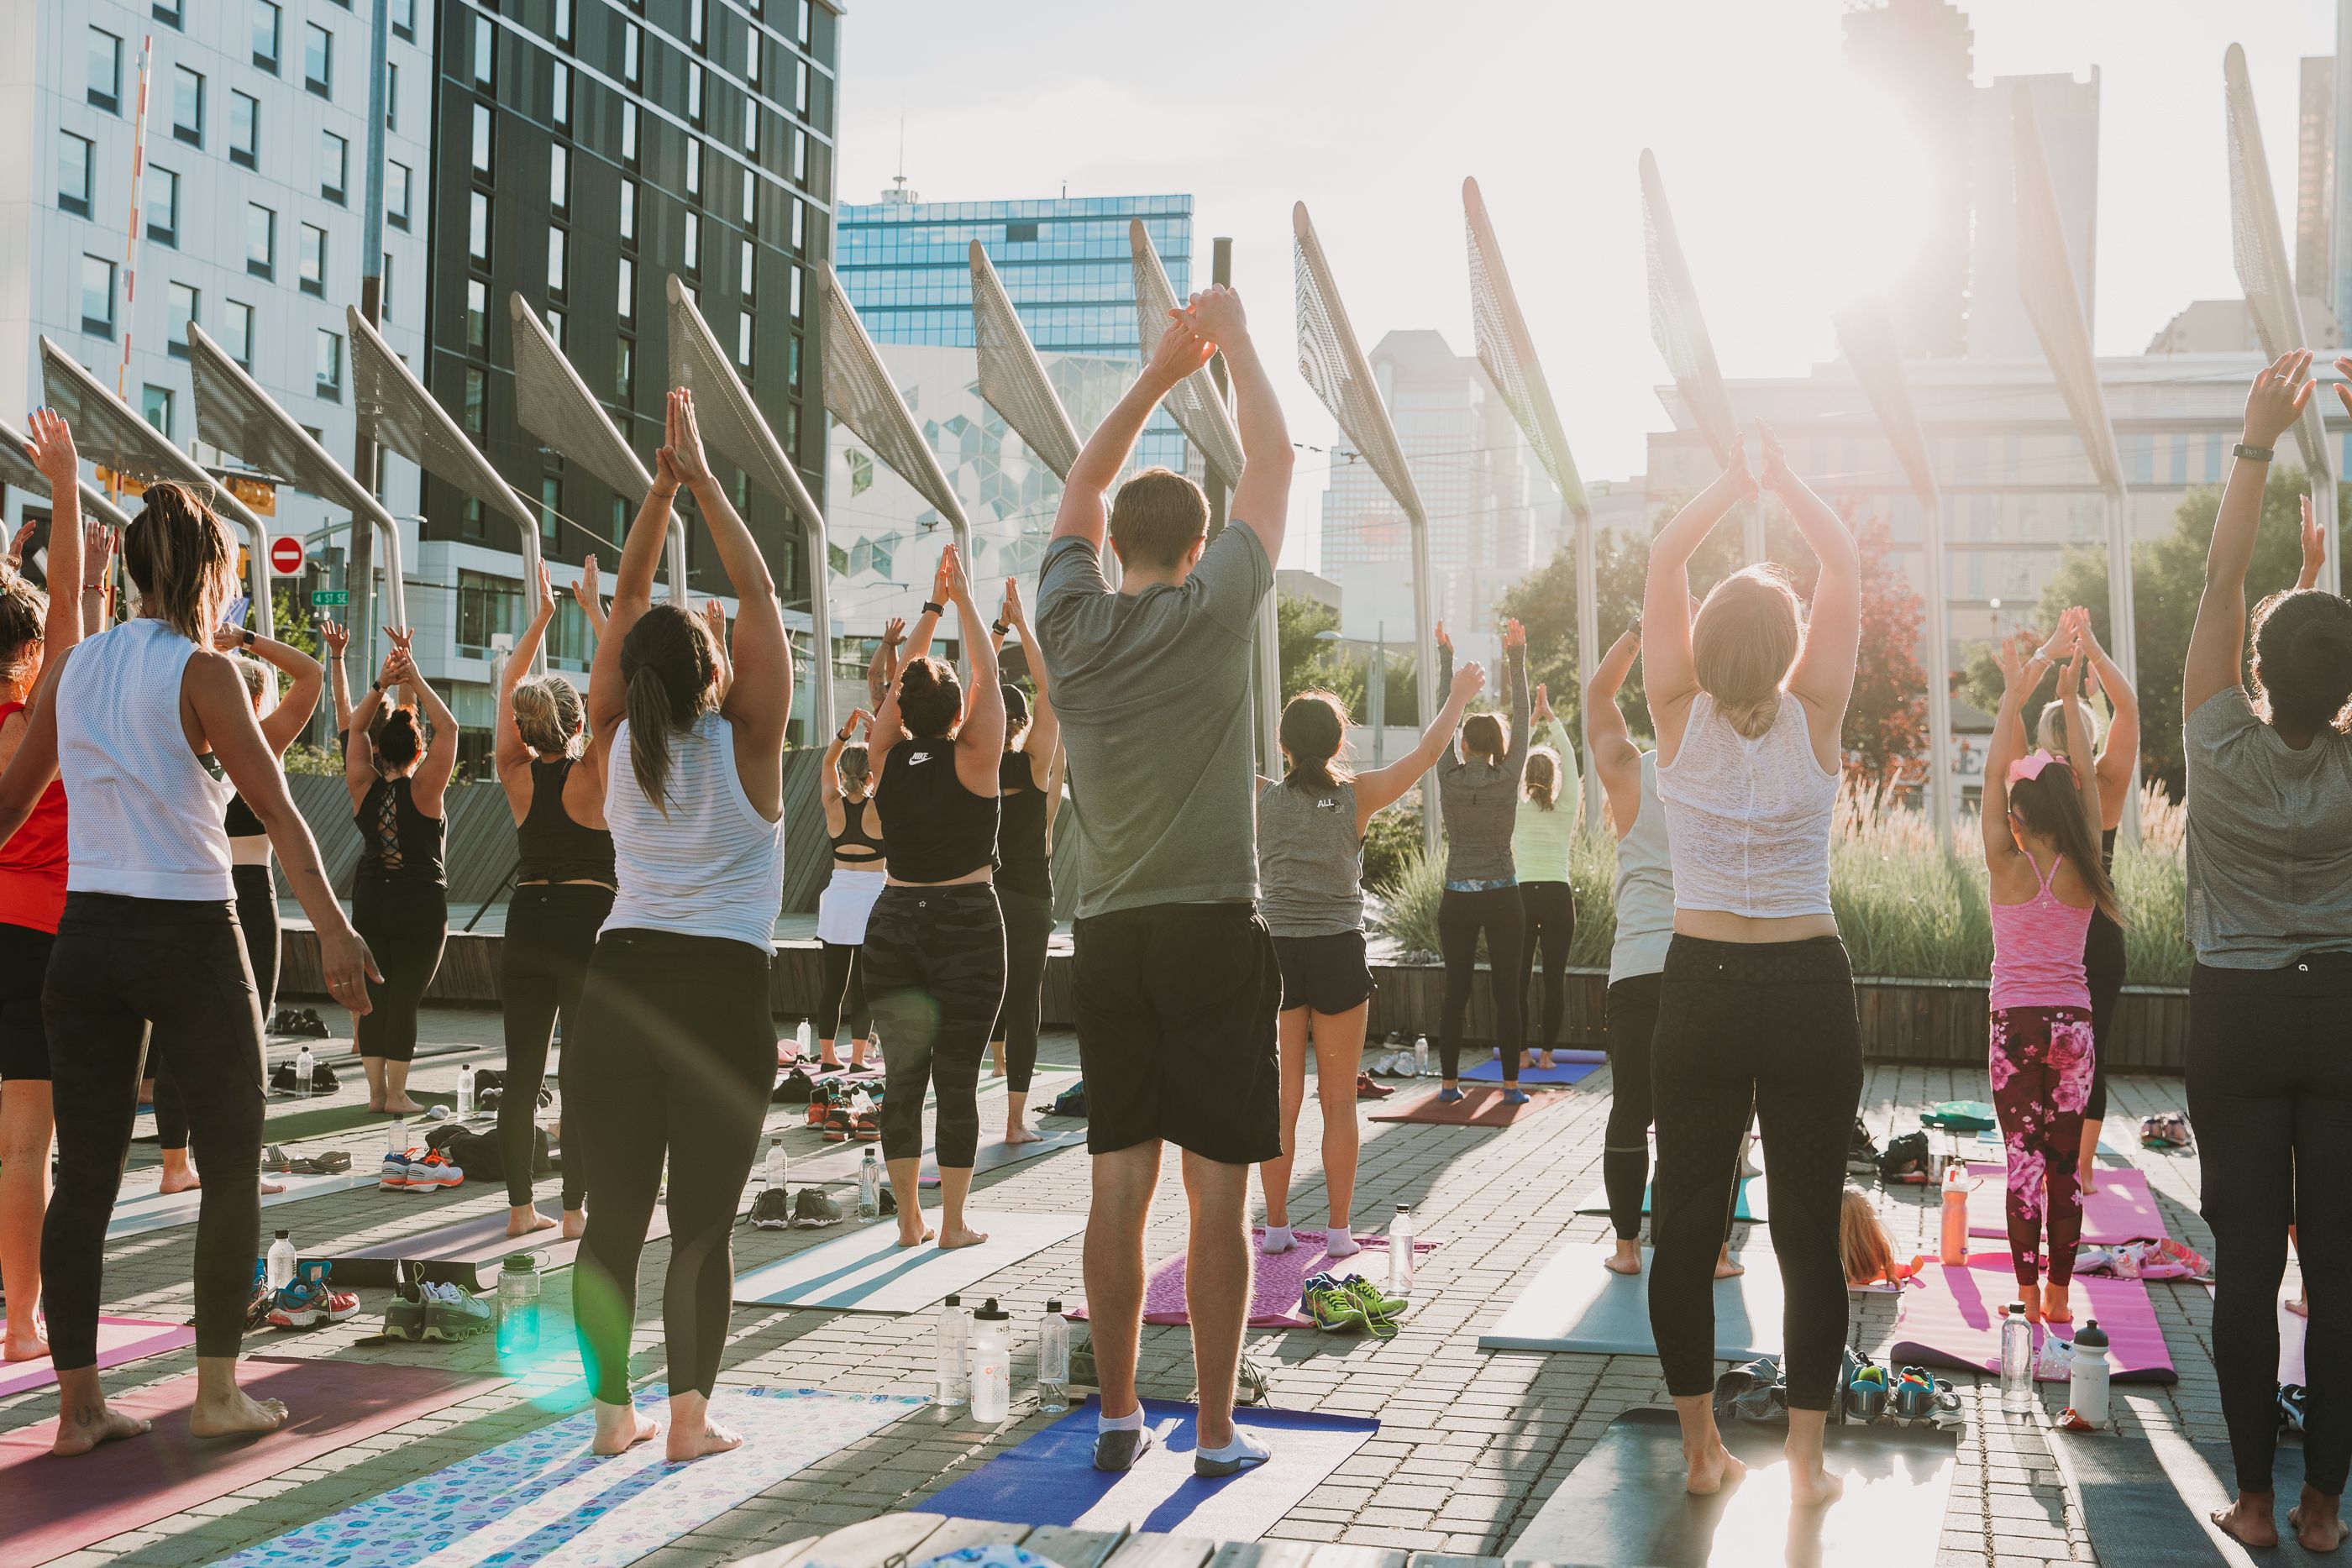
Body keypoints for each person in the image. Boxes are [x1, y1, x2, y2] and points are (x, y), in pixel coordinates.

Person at [0, 480, 374, 1456]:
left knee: (84, 1177)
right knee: (231, 1160)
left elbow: (6, 806)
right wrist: (333, 927)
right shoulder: (204, 673)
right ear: (211, 573)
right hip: (190, 932)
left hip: (83, 940)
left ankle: (77, 1410)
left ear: (127, 568)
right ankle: (216, 1391)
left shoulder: (73, 665)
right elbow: (281, 811)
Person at [1035, 286, 1291, 1478]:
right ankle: (1222, 1427)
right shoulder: (1217, 605)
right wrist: (1231, 344)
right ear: (1195, 549)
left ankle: (1121, 1414)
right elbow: (1276, 459)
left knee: (1118, 1186)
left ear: (1112, 550)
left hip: (1112, 936)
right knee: (1218, 1198)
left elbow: (1080, 490)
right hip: (1209, 929)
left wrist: (1155, 373)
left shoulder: (1068, 620)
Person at [1641, 425, 1861, 1506]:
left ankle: (1700, 1453)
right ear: (1783, 647)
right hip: (1809, 988)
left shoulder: (1673, 715)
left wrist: (1728, 487)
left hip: (1700, 987)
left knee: (1684, 1222)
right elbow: (1846, 568)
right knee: (1803, 1230)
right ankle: (1807, 1466)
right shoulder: (1814, 714)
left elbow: (1660, 565)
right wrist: (1785, 477)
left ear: (1703, 645)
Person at [570, 390, 790, 1463]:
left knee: (612, 1215)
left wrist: (656, 497)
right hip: (719, 997)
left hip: (617, 987)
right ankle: (689, 1422)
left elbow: (624, 606)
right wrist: (702, 481)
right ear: (717, 672)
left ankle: (614, 1417)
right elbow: (755, 589)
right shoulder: (750, 751)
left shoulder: (610, 747)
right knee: (701, 1221)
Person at [2183, 350, 2352, 1553]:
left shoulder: (2216, 745)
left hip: (2236, 1014)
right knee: (2339, 1273)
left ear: (2257, 669)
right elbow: (2306, 657)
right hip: (2341, 1008)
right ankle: (2324, 1504)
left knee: (2246, 1264)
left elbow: (2219, 577)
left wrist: (2258, 438)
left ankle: (2248, 1494)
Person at [1257, 661, 1482, 1259]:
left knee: (1281, 1100)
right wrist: (1458, 693)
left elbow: (1200, 750)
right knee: (1337, 1100)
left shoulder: (1259, 797)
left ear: (1283, 744)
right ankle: (1336, 1232)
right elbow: (1430, 752)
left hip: (1276, 954)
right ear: (1337, 742)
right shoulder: (1357, 796)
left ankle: (1276, 1228)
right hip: (1336, 951)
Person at [1584, 621, 1742, 1285]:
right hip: (1709, 964)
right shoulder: (1725, 771)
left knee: (1632, 1105)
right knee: (1716, 1114)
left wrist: (1634, 637)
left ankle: (1627, 1246)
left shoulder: (1629, 772)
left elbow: (1596, 698)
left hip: (1638, 966)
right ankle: (1714, 1251)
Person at [153, 611, 323, 1194]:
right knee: (245, 1037)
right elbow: (313, 676)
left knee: (182, 1030)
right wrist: (245, 639)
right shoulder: (260, 741)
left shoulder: (187, 746)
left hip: (191, 891)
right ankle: (235, 1166)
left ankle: (176, 1165)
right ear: (252, 698)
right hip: (247, 892)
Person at [865, 544, 1005, 1249]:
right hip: (967, 923)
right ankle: (951, 1222)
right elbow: (990, 677)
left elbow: (893, 696)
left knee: (902, 1078)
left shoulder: (884, 756)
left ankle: (907, 1222)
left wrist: (929, 608)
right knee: (957, 1076)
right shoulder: (976, 756)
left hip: (893, 922)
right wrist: (967, 603)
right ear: (956, 713)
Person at [1983, 614, 2115, 1327]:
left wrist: (2014, 694)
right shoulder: (2085, 863)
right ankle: (2062, 1296)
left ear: (2015, 816)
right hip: (2073, 1024)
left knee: (2022, 1164)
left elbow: (1994, 773)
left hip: (2014, 1024)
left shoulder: (2005, 861)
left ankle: (2028, 1298)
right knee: (2065, 1165)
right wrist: (2068, 697)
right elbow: (2088, 785)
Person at [0, 409, 94, 1364]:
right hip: (39, 936)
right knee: (29, 1148)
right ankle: (23, 1323)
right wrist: (64, 486)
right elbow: (67, 599)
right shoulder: (47, 707)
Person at [492, 559, 612, 1240]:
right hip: (583, 921)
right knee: (580, 1072)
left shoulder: (513, 772)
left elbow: (511, 686)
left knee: (522, 1074)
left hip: (525, 919)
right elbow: (612, 696)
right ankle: (572, 1213)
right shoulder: (592, 768)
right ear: (573, 723)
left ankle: (518, 1210)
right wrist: (591, 612)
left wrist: (540, 616)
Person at [2033, 619, 2139, 1197]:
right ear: (2088, 736)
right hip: (2100, 935)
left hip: (2049, 933)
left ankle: (2049, 1152)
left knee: (2045, 1045)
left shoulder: (2030, 792)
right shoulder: (2108, 779)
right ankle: (2083, 1166)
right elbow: (2130, 709)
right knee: (2090, 1053)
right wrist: (2094, 649)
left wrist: (2049, 660)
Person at [344, 631, 455, 1115]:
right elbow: (447, 729)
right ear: (416, 751)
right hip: (420, 903)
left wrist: (381, 684)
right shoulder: (426, 788)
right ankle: (397, 1094)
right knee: (405, 998)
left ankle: (373, 1096)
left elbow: (355, 730)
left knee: (376, 997)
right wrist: (413, 678)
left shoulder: (361, 782)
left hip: (372, 898)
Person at [1431, 618, 1530, 1104]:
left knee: (1456, 993)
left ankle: (1450, 1086)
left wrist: (1447, 661)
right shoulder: (1509, 775)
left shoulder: (1448, 775)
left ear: (1464, 744)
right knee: (1507, 995)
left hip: (1459, 897)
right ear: (1499, 745)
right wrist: (1517, 658)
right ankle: (1511, 1087)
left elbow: (1439, 720)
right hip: (1503, 895)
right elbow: (1524, 715)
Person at [987, 578, 1063, 1144]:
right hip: (1030, 898)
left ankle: (956, 1115)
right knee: (1024, 1002)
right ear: (1021, 726)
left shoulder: (971, 767)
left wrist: (993, 631)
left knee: (976, 999)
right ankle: (1014, 1122)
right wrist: (1023, 627)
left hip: (981, 895)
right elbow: (1049, 690)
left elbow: (970, 691)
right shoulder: (1035, 769)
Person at [1512, 681, 1580, 1072]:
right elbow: (1570, 759)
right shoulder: (1566, 805)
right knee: (1554, 978)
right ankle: (1548, 1057)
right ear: (1552, 777)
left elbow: (1510, 761)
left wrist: (1530, 725)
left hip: (1523, 894)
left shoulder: (1516, 808)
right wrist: (1551, 720)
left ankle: (1521, 1054)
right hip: (1557, 895)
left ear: (1524, 777)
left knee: (1519, 979)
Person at [815, 710, 885, 1075]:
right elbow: (891, 767)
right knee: (863, 987)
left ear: (844, 775)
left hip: (838, 900)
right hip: (872, 901)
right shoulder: (881, 806)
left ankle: (827, 1056)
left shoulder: (832, 804)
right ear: (871, 775)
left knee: (833, 985)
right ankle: (857, 1059)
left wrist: (846, 732)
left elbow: (828, 760)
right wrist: (878, 735)